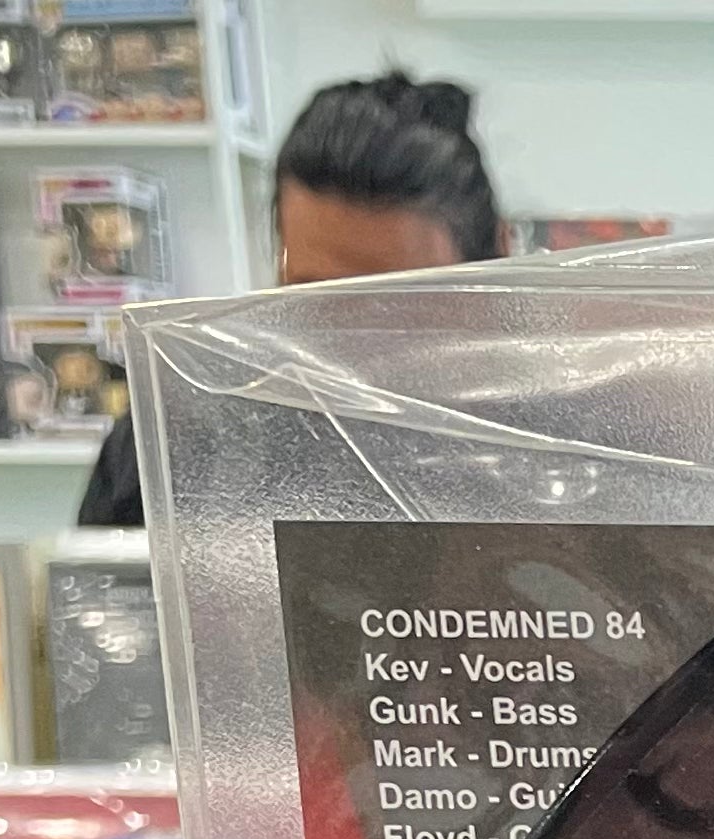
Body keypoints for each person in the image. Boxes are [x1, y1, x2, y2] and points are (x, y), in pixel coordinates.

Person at [76, 72, 502, 529]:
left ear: (496, 265)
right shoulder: (173, 447)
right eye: (317, 297)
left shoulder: (542, 450)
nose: (356, 348)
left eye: (400, 305)